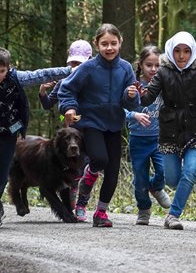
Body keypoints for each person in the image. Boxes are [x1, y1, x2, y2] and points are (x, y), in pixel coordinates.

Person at [0, 46, 75, 229]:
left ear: (9, 68)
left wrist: (70, 70)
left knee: (1, 177)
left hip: (8, 136)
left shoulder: (15, 78)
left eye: (2, 71)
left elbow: (40, 75)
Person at [57, 24, 140, 227]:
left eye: (113, 43)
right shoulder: (88, 67)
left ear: (121, 43)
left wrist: (131, 96)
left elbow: (132, 101)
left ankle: (100, 213)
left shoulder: (126, 68)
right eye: (104, 44)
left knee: (112, 171)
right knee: (100, 159)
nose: (109, 48)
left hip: (114, 123)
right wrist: (69, 108)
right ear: (96, 45)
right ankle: (88, 179)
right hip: (91, 122)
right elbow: (67, 89)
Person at [139, 31, 196, 230]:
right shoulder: (163, 71)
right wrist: (140, 93)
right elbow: (148, 98)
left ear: (192, 51)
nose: (182, 56)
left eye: (186, 51)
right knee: (172, 180)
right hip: (169, 133)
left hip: (195, 130)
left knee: (190, 172)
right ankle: (153, 185)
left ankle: (173, 215)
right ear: (171, 51)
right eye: (177, 51)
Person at [125, 45, 172, 225]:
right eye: (149, 65)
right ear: (141, 65)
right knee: (140, 179)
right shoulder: (133, 86)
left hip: (160, 138)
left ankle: (156, 187)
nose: (153, 69)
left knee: (165, 171)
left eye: (158, 66)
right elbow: (121, 108)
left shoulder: (165, 84)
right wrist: (133, 113)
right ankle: (144, 209)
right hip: (138, 139)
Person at [39, 39, 92, 111]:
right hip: (68, 118)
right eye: (73, 62)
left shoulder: (96, 77)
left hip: (91, 119)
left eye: (80, 63)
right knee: (62, 118)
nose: (77, 66)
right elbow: (47, 105)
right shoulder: (64, 80)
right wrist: (42, 90)